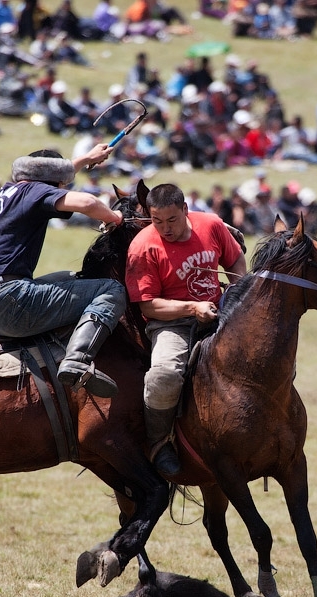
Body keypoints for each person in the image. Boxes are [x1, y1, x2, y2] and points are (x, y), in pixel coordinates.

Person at [0, 145, 126, 398]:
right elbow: (86, 202)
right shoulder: (35, 190)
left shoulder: (9, 191)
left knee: (73, 279)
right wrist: (115, 217)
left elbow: (51, 178)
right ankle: (76, 361)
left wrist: (87, 158)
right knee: (111, 290)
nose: (63, 189)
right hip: (10, 301)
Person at [124, 183, 247, 476]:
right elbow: (149, 306)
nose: (164, 228)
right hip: (172, 323)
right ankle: (159, 443)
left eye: (172, 220)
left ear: (185, 210)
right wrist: (192, 308)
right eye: (157, 221)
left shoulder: (213, 225)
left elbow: (236, 261)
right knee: (163, 376)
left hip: (221, 312)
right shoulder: (142, 247)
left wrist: (237, 292)